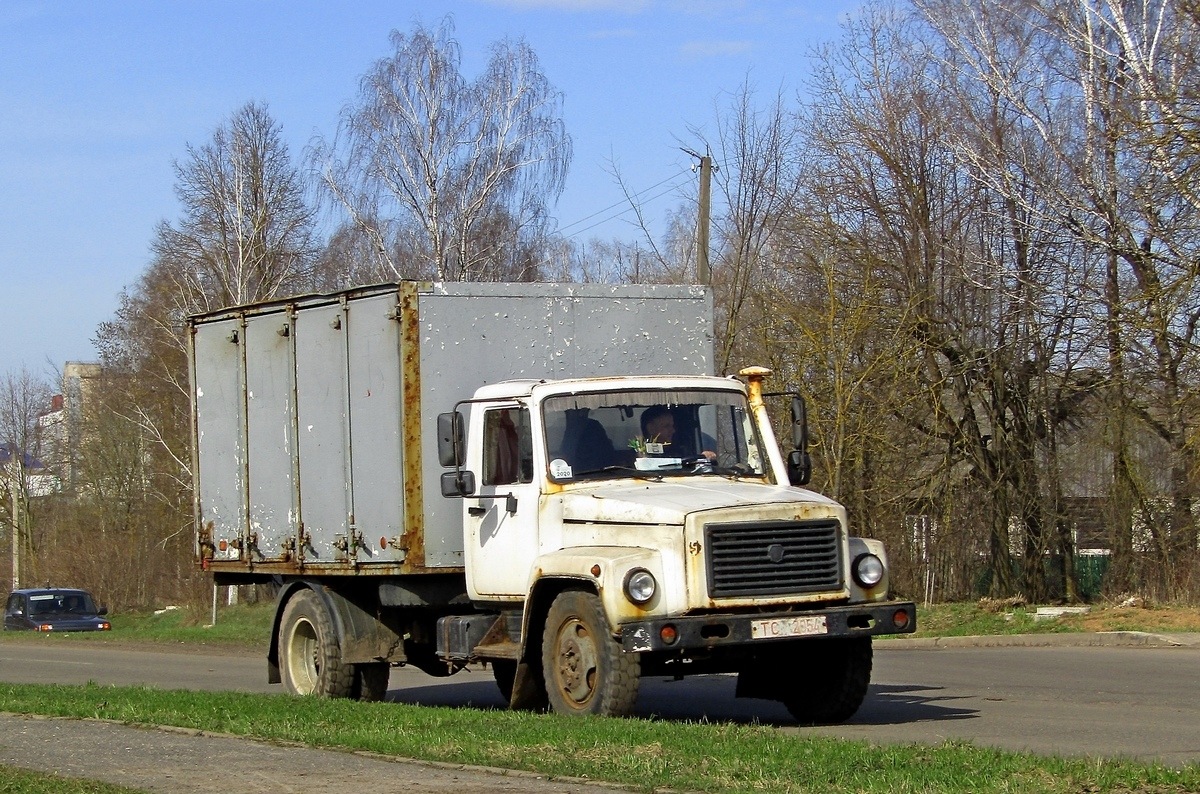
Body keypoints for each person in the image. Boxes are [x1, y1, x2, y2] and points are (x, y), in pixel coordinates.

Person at [640, 405, 715, 460]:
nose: (673, 431)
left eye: (672, 426)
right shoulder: (634, 457)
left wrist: (705, 457)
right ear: (651, 428)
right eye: (666, 426)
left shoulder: (683, 452)